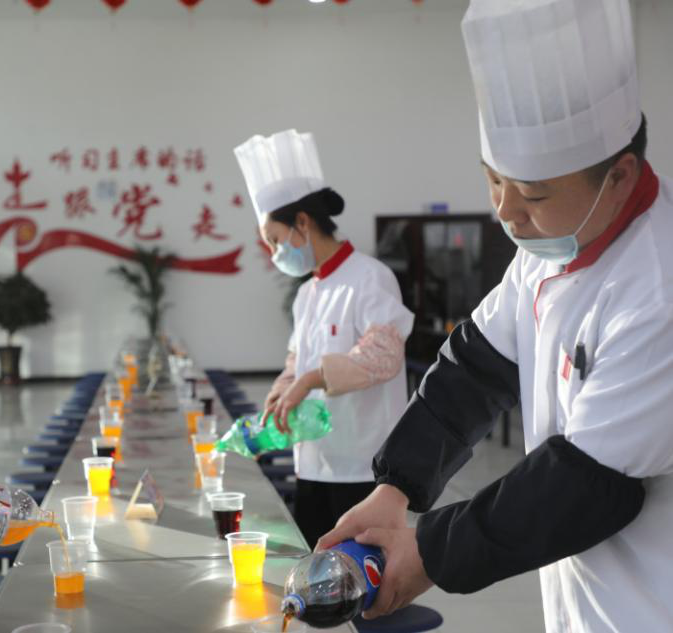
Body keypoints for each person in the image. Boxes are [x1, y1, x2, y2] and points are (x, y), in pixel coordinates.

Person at [317, 1, 673, 631]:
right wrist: (395, 487)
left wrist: (428, 554)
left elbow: (586, 486)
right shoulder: (547, 249)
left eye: (532, 194)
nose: (506, 212)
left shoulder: (658, 288)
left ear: (620, 175)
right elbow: (475, 369)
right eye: (494, 181)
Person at [234, 129, 414, 548]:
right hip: (313, 462)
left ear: (302, 222)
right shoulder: (308, 294)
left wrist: (310, 380)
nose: (275, 253)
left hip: (363, 469)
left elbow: (383, 355)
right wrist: (282, 391)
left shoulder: (370, 278)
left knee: (360, 575)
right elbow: (297, 360)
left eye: (275, 240)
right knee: (314, 567)